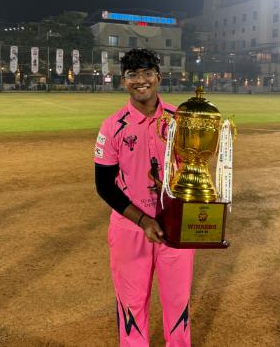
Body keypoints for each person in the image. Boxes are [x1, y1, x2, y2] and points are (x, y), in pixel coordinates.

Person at [94, 48, 194, 347]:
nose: (141, 80)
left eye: (147, 73)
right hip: (130, 228)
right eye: (132, 75)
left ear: (158, 77)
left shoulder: (180, 119)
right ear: (123, 81)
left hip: (175, 226)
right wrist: (143, 220)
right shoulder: (113, 125)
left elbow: (194, 171)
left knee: (178, 301)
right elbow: (104, 185)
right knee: (132, 302)